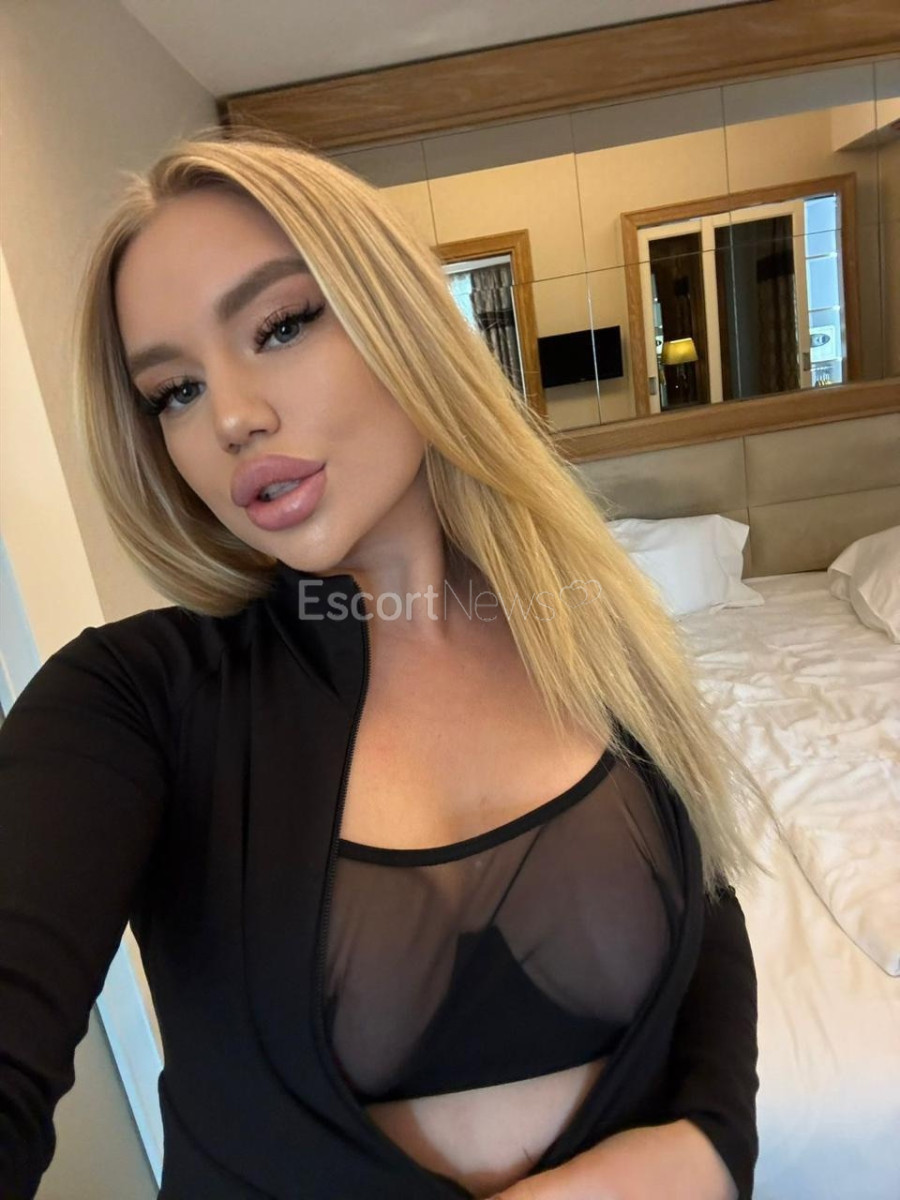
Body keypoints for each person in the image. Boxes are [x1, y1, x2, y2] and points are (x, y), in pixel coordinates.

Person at [0, 130, 763, 1200]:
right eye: (174, 391)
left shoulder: (585, 629)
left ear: (402, 320)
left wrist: (715, 1145)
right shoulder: (133, 699)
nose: (232, 418)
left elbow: (705, 898)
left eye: (280, 326)